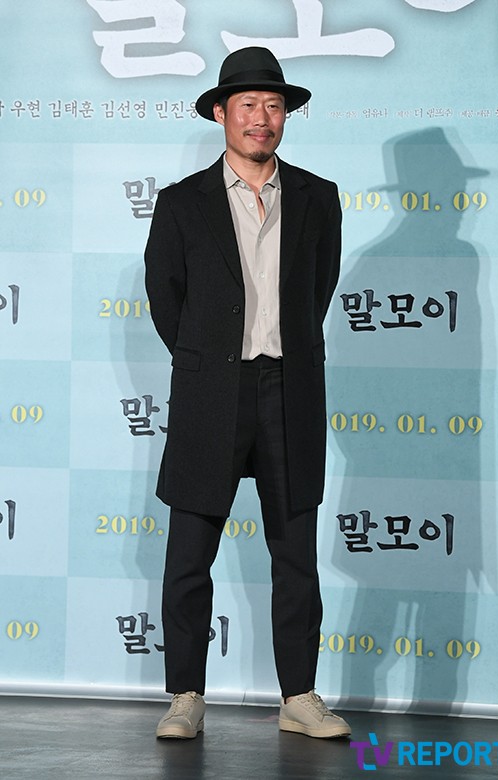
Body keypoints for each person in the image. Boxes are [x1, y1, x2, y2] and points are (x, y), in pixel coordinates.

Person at [144, 46, 350, 740]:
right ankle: (185, 697)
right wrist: (208, 363)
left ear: (284, 116)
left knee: (295, 554)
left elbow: (317, 290)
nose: (262, 119)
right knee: (189, 553)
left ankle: (298, 697)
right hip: (212, 391)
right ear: (220, 114)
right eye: (248, 106)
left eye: (274, 106)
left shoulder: (319, 197)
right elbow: (166, 301)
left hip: (289, 389)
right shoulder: (179, 205)